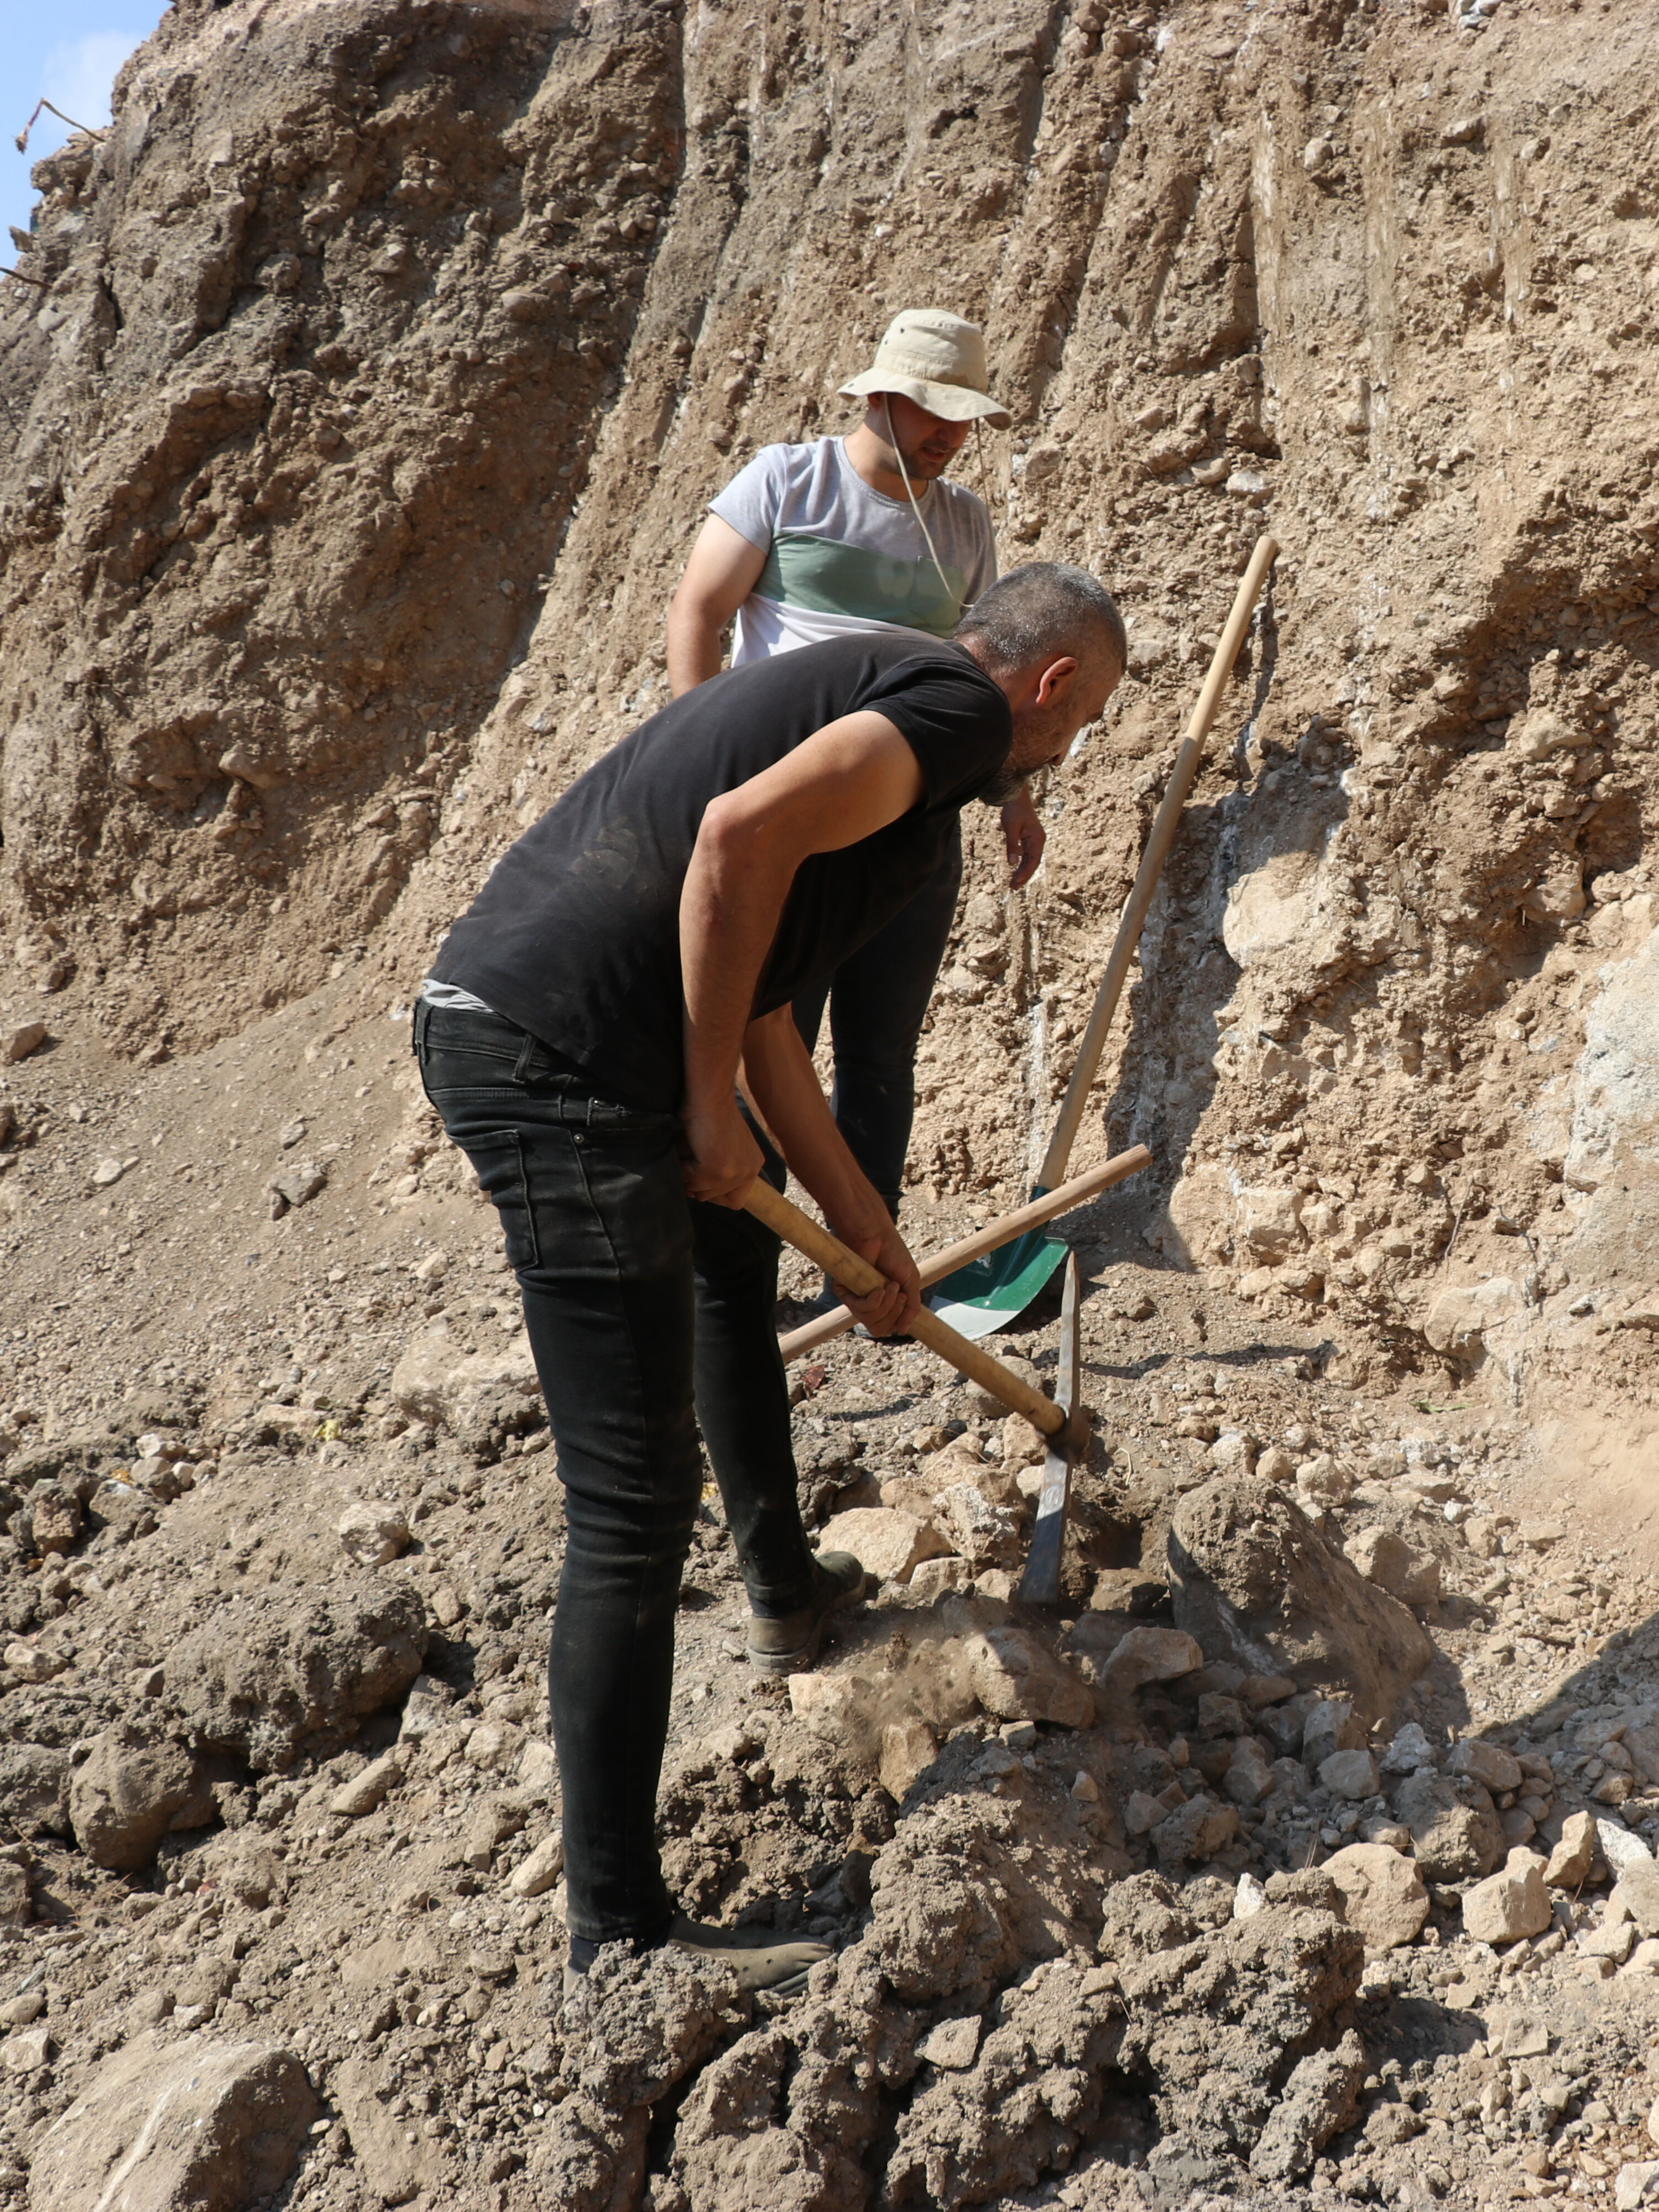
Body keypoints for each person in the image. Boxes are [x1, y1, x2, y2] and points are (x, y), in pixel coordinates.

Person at [414, 565, 1126, 1981]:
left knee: (659, 1442)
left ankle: (778, 1598)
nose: (1069, 744)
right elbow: (731, 843)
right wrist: (697, 1102)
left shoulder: (882, 717)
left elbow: (764, 1005)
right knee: (630, 1502)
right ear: (1051, 686)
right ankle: (616, 1939)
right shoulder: (952, 716)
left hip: (530, 1031)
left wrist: (865, 1222)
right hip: (562, 1062)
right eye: (1084, 716)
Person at [663, 306, 1045, 1219]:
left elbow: (982, 675)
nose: (950, 434)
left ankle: (869, 1256)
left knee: (883, 1047)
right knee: (768, 1030)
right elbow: (697, 614)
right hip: (785, 810)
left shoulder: (964, 523)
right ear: (878, 397)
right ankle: (751, 1245)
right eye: (931, 411)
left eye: (964, 418)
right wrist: (699, 755)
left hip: (912, 817)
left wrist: (1015, 795)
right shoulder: (788, 482)